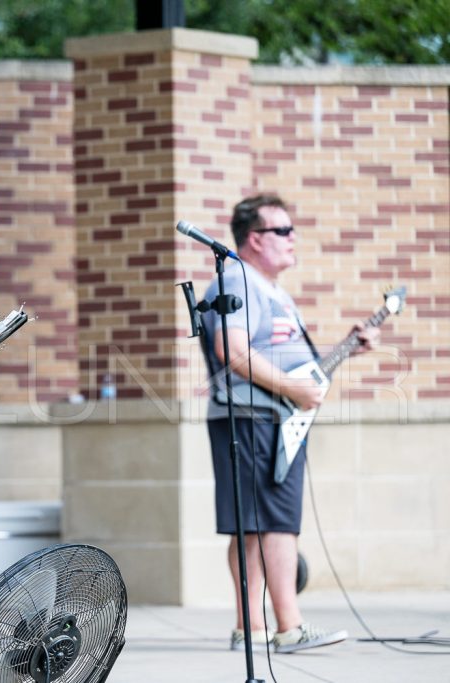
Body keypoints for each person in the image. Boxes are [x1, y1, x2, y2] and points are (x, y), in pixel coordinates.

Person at [201, 195, 378, 654]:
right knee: (276, 522)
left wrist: (345, 349)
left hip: (270, 417)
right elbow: (232, 351)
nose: (293, 238)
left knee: (257, 525)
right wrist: (295, 391)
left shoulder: (274, 291)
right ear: (255, 239)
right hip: (255, 418)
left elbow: (295, 366)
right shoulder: (237, 276)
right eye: (283, 230)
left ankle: (251, 628)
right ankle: (289, 628)